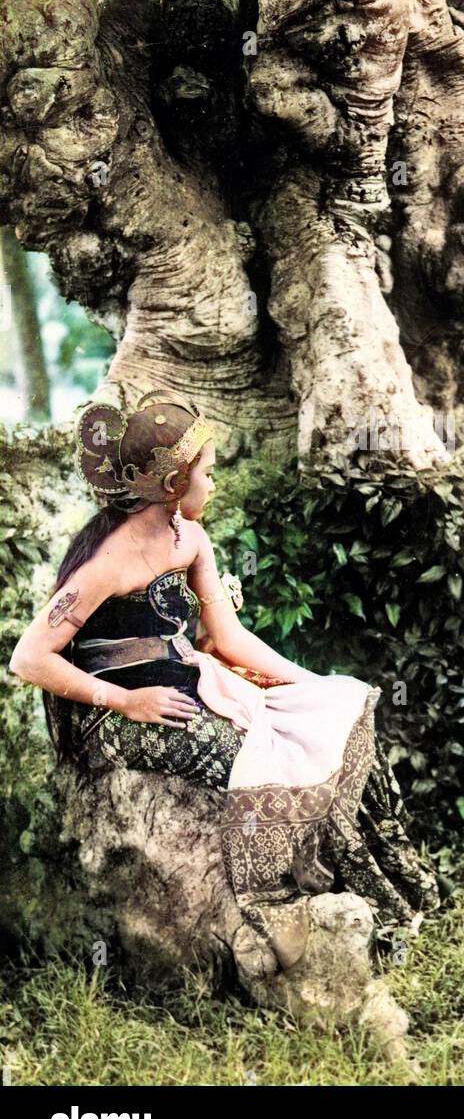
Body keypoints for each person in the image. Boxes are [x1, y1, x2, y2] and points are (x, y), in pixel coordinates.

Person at [9, 388, 440, 970]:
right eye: (206, 475)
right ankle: (281, 914)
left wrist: (309, 682)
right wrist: (124, 699)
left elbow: (229, 637)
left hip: (191, 677)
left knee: (328, 716)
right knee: (250, 756)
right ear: (171, 486)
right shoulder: (107, 562)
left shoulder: (190, 538)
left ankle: (369, 892)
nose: (214, 485)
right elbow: (29, 658)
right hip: (118, 708)